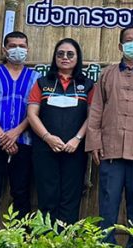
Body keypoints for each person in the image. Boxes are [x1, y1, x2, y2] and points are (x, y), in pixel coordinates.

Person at [85, 26, 133, 243]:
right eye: (129, 40)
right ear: (120, 46)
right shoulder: (107, 74)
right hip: (111, 149)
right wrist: (94, 142)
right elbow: (96, 109)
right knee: (108, 203)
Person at [26, 38, 95, 226]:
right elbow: (32, 114)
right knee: (47, 197)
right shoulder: (42, 83)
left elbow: (93, 116)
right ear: (55, 57)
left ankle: (66, 241)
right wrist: (47, 137)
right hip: (45, 149)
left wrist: (77, 139)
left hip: (75, 149)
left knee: (70, 198)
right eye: (60, 54)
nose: (65, 57)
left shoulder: (88, 85)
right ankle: (46, 240)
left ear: (77, 58)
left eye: (70, 54)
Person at [0, 31, 37, 225]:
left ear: (28, 49)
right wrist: (3, 136)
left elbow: (35, 111)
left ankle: (21, 237)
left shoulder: (36, 77)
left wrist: (15, 133)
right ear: (4, 49)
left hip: (24, 140)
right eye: (12, 46)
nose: (17, 50)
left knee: (21, 192)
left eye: (22, 46)